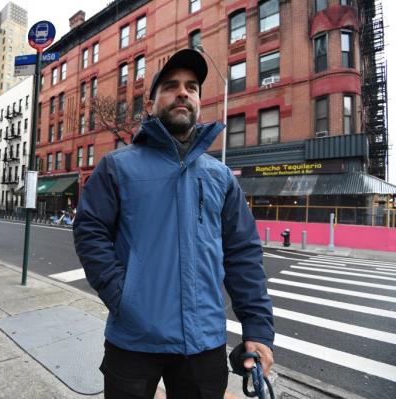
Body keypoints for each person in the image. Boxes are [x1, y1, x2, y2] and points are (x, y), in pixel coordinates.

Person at [73, 48, 274, 399]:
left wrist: (256, 328)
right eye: (171, 85)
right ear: (151, 104)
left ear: (198, 101)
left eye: (192, 87)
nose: (183, 92)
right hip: (132, 339)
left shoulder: (221, 176)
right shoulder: (117, 167)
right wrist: (123, 298)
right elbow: (90, 232)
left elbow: (243, 253)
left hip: (204, 344)